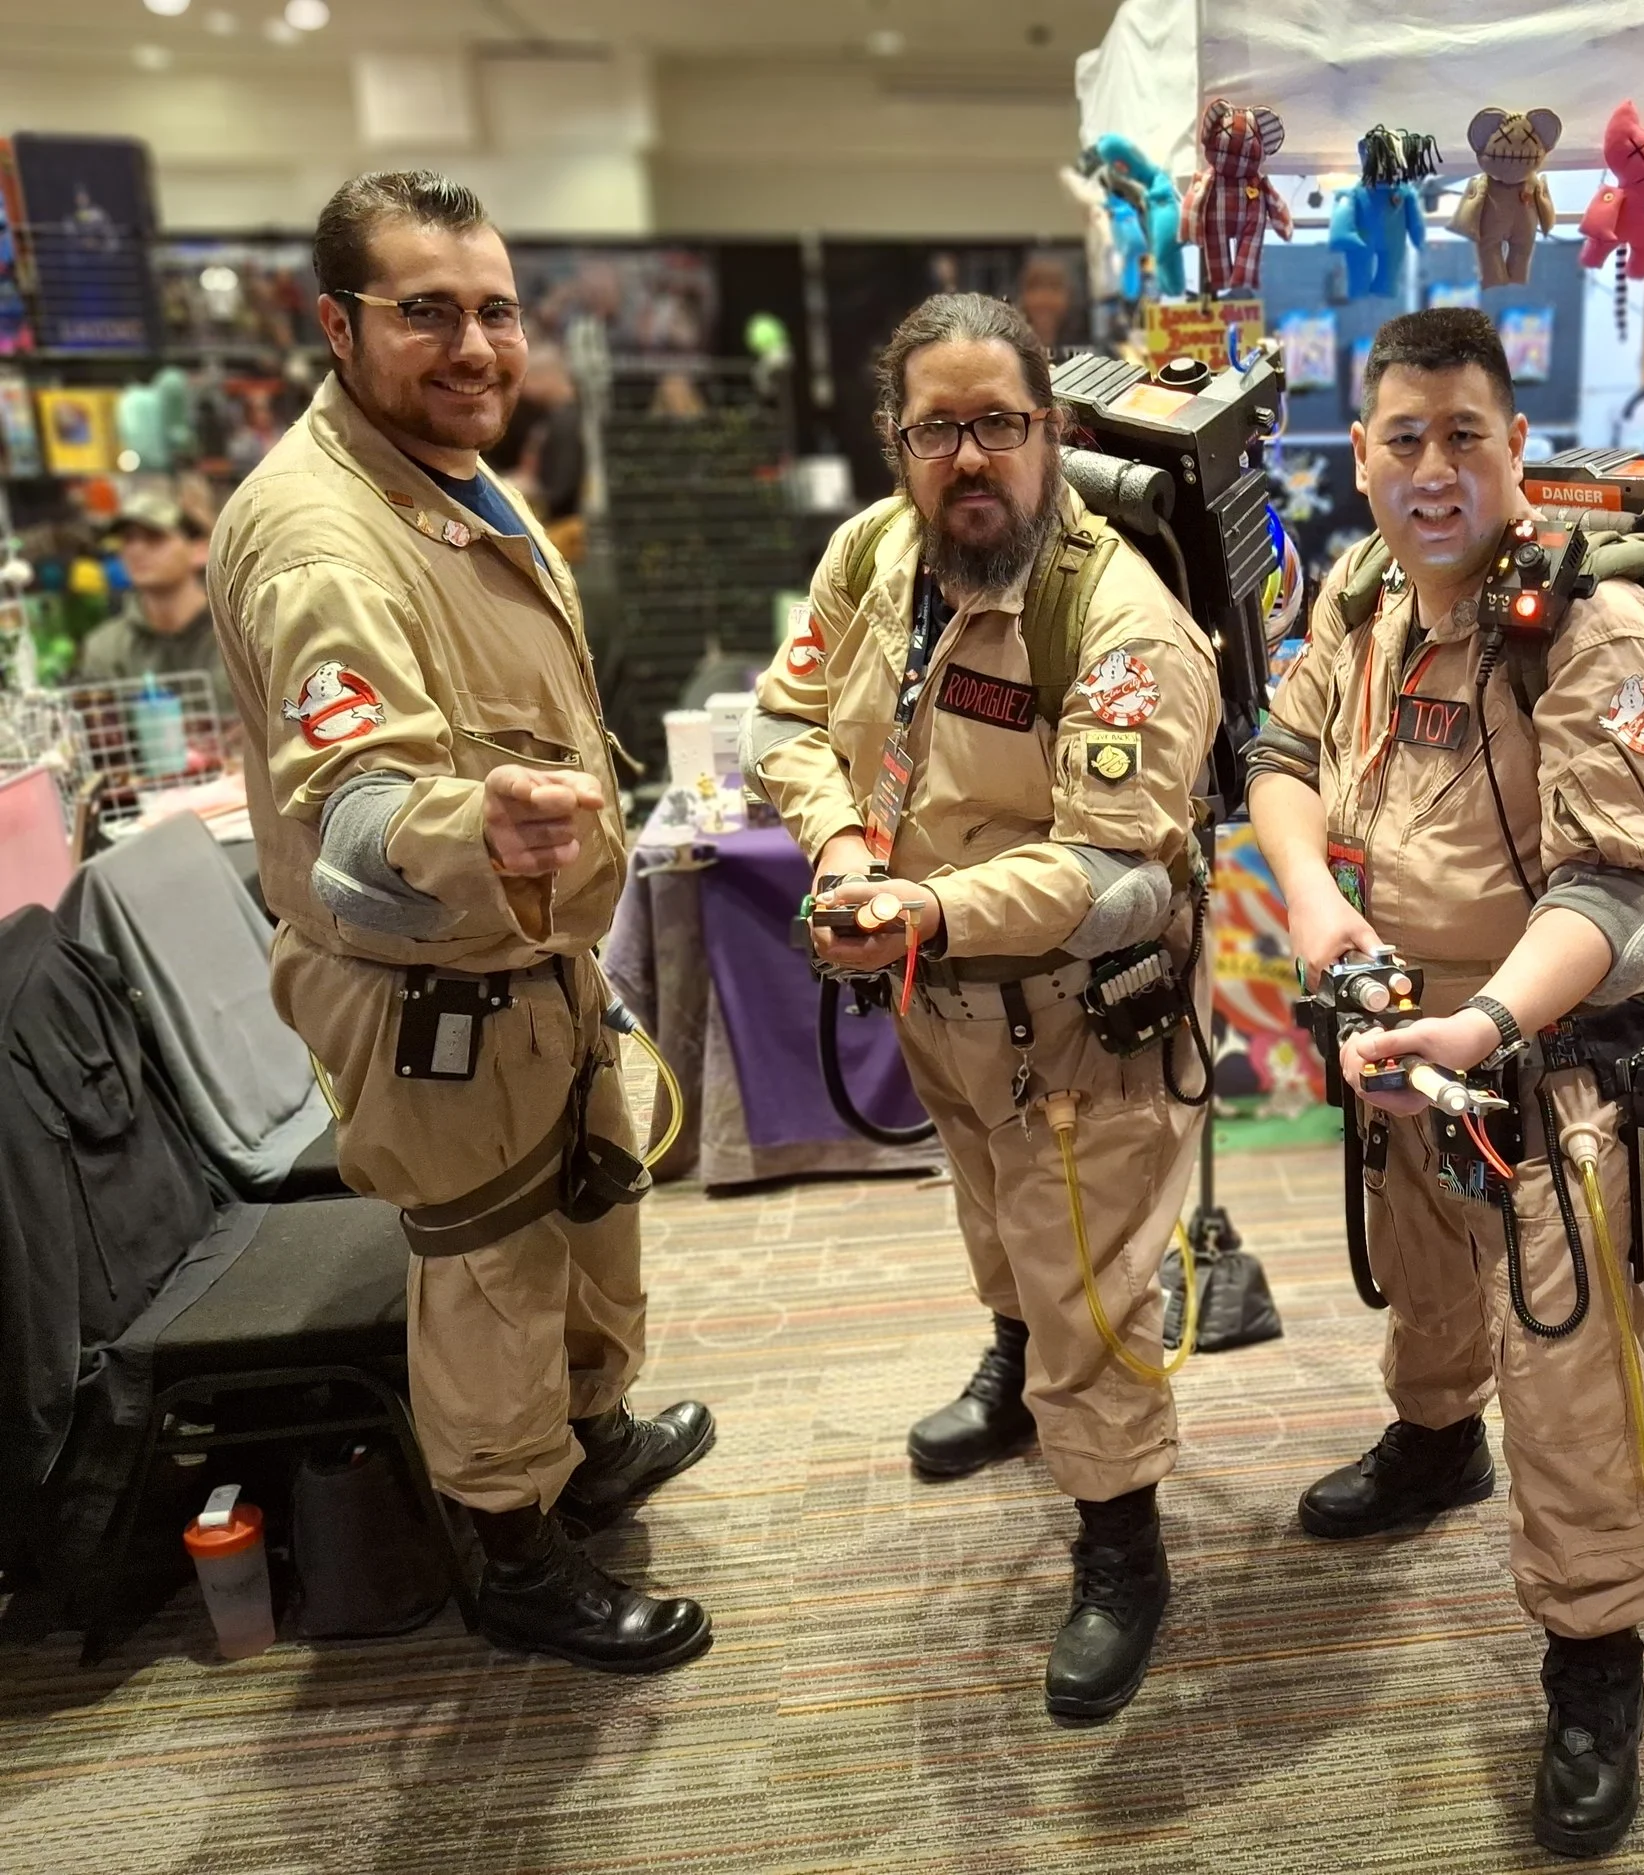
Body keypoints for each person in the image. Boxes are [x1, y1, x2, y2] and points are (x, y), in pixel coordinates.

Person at [208, 171, 715, 1674]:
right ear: (338, 325)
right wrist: (466, 823)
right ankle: (512, 1550)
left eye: (493, 308)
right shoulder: (319, 541)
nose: (474, 343)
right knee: (490, 1266)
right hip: (431, 984)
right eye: (425, 311)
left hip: (531, 959)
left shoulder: (445, 474)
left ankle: (590, 1441)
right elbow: (357, 796)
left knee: (592, 1217)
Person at [1244, 308, 1644, 1859]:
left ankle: (1592, 1654)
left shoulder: (1599, 630)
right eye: (1402, 438)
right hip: (1395, 1026)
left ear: (1517, 447)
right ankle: (1436, 1437)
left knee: (1566, 1363)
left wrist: (1487, 1023)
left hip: (1548, 1054)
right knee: (1427, 1278)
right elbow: (1281, 752)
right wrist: (1312, 901)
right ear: (1361, 456)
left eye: (1464, 436)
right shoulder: (1364, 596)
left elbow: (1616, 892)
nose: (1432, 468)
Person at [743, 293, 1217, 1722]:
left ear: (1051, 435)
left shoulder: (1116, 614)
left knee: (1093, 1277)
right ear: (896, 442)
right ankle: (1014, 1369)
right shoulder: (871, 554)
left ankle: (1122, 1542)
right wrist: (838, 848)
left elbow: (1118, 866)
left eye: (998, 425)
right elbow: (785, 719)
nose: (970, 459)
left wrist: (934, 909)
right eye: (938, 428)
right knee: (990, 1212)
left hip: (1076, 1011)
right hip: (930, 991)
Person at [78, 490, 234, 721]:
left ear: (199, 551)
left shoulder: (235, 632)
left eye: (155, 537)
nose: (136, 550)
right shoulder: (106, 648)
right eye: (127, 539)